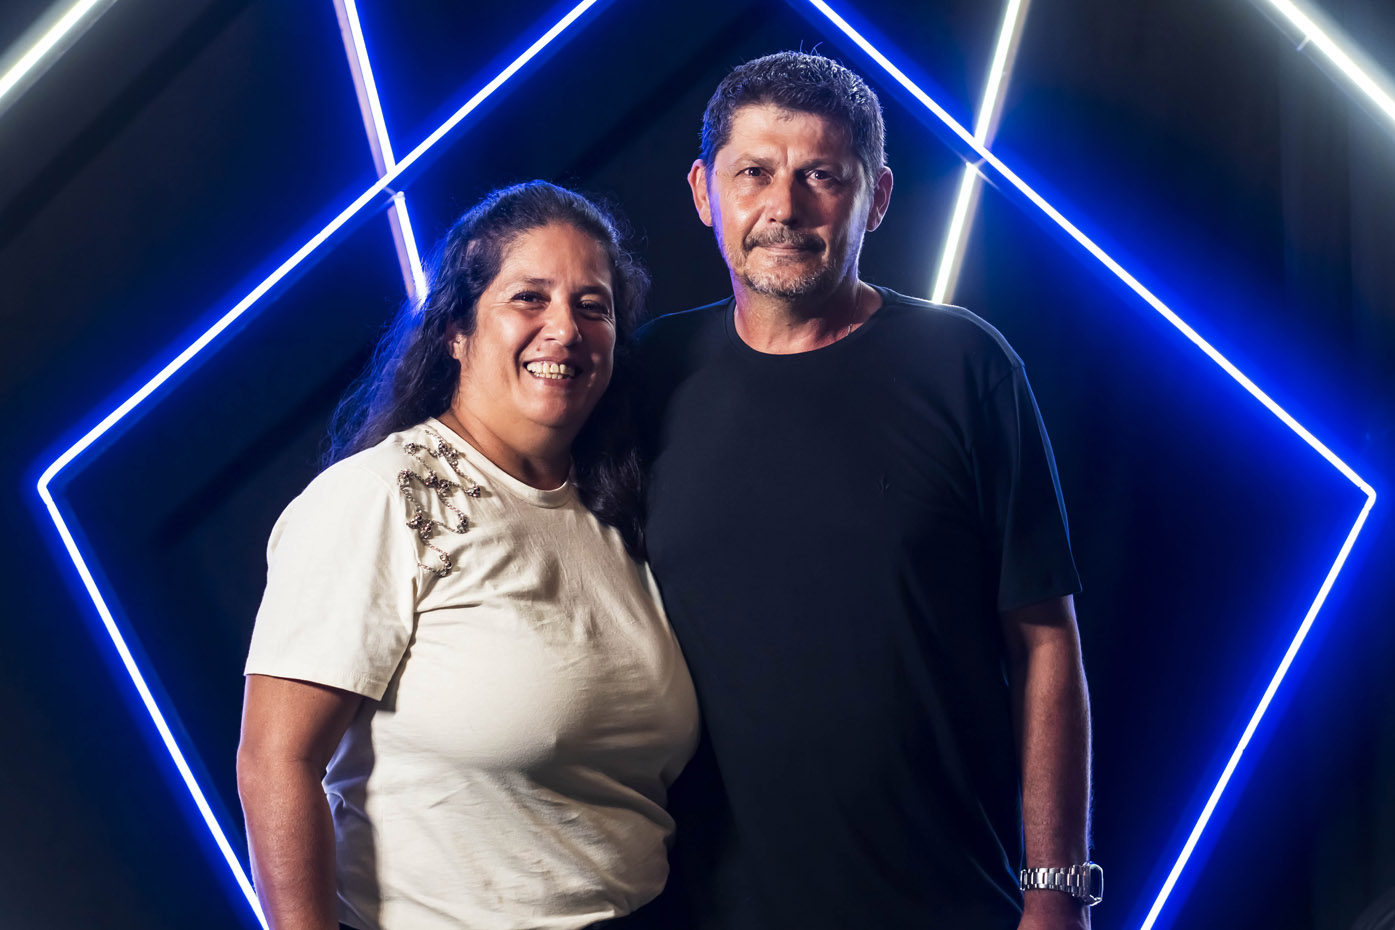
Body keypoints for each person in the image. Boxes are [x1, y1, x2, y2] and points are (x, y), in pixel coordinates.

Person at [635, 53, 1096, 930]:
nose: (783, 207)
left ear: (875, 197)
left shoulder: (964, 366)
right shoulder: (649, 372)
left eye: (821, 176)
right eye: (753, 173)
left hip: (946, 902)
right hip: (702, 910)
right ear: (703, 191)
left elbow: (1044, 642)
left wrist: (1054, 894)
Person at [237, 181, 699, 930]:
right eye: (529, 298)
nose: (565, 329)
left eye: (593, 306)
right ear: (456, 328)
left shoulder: (616, 509)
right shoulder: (380, 496)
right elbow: (274, 763)